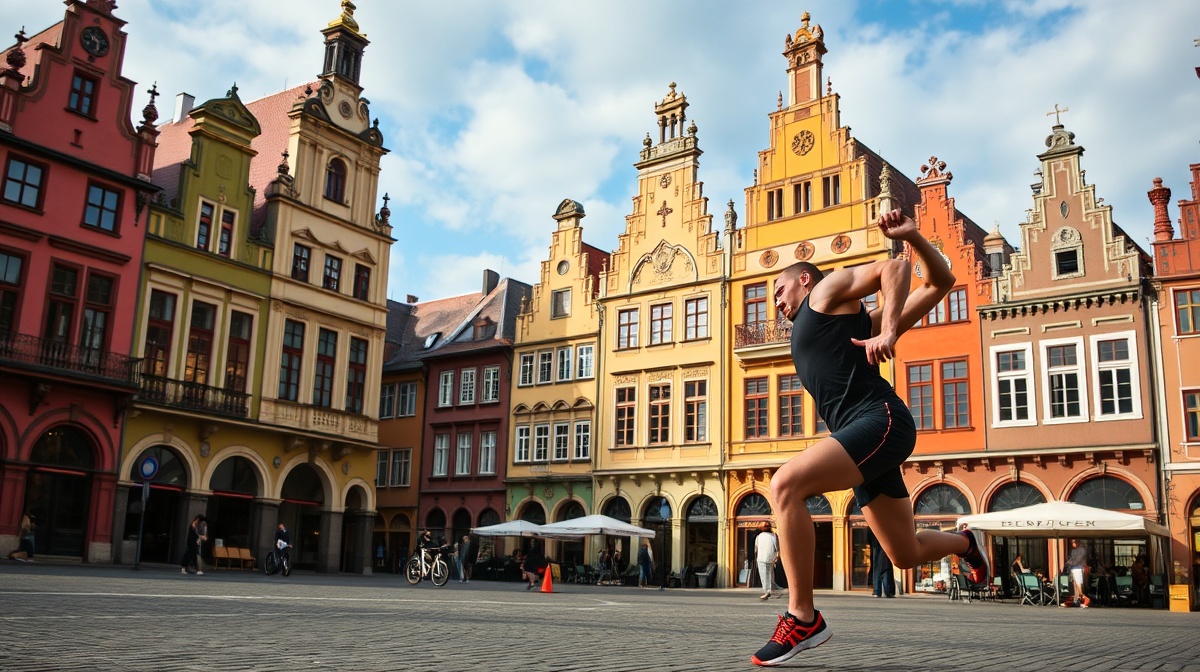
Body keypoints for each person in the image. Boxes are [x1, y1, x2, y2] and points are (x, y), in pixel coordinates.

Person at [752, 210, 989, 667]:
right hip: (864, 436)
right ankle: (966, 543)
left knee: (784, 485)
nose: (775, 304)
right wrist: (883, 319)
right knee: (904, 554)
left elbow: (894, 269)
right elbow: (941, 283)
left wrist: (906, 251)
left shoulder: (823, 292)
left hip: (879, 420)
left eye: (778, 291)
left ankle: (802, 616)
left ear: (804, 279)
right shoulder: (853, 324)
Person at [755, 522, 781, 601]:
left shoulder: (759, 537)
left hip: (762, 557)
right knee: (770, 574)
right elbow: (777, 547)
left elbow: (756, 548)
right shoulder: (773, 536)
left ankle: (767, 591)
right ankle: (770, 589)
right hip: (770, 557)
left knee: (764, 575)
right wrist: (776, 556)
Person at [1063, 539, 1090, 608]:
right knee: (1074, 584)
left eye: (1073, 542)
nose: (1072, 544)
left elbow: (1078, 559)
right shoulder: (1074, 550)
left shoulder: (1081, 550)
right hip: (1073, 568)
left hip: (1078, 568)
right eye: (1071, 542)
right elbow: (1072, 559)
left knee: (1078, 584)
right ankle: (1076, 599)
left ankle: (1084, 598)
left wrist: (1069, 563)